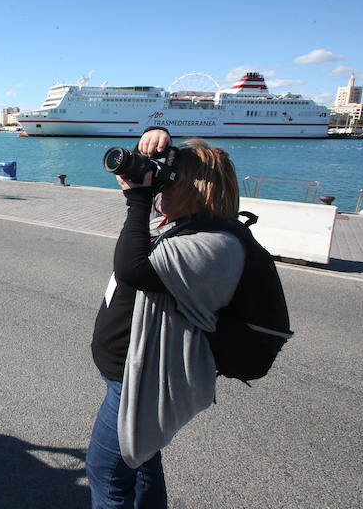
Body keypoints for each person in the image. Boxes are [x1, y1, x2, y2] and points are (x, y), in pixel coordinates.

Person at [86, 128, 246, 508]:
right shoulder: (188, 228)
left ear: (200, 189)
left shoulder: (214, 243)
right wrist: (155, 137)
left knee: (106, 473)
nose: (163, 186)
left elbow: (132, 269)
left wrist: (138, 200)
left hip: (139, 382)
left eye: (174, 181)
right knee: (141, 461)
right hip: (130, 374)